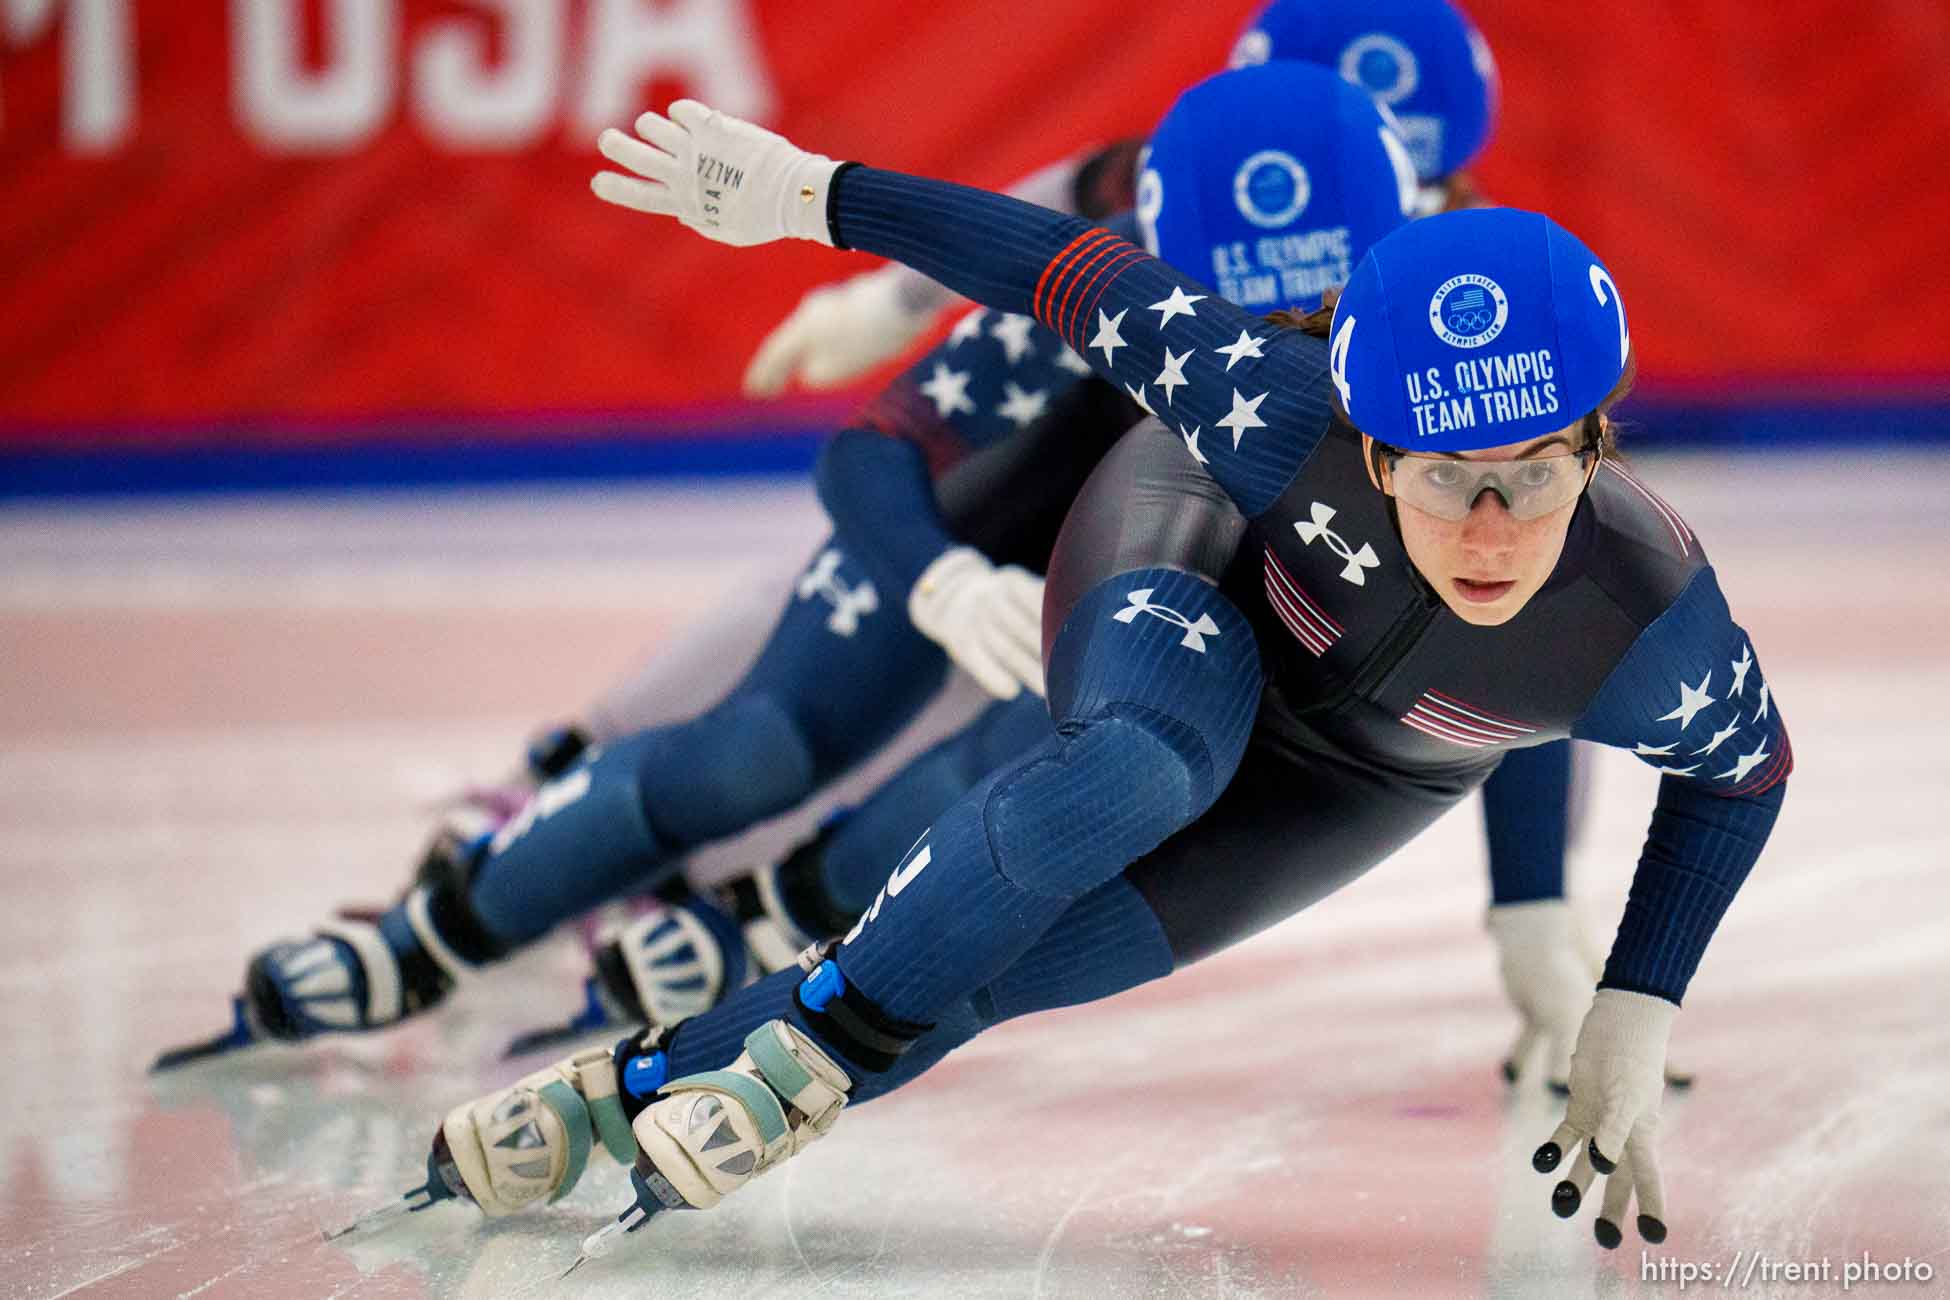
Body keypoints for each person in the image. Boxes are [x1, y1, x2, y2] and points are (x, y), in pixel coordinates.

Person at [415, 101, 1789, 1254]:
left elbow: (1741, 780)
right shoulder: (1278, 418)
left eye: (1531, 479)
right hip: (1190, 565)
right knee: (1140, 765)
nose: (1489, 531)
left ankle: (634, 1079)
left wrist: (1630, 998)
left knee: (1006, 974)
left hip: (1369, 769)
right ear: (1369, 452)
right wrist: (813, 195)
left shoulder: (1647, 620)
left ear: (1597, 450)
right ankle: (819, 1040)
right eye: (1442, 478)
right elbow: (1066, 266)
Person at [223, 64, 1419, 1059]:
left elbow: (1503, 641)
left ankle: (763, 917)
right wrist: (941, 581)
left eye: (1306, 318)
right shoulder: (1108, 294)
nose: (1255, 354)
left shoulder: (1406, 356)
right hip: (981, 545)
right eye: (1217, 309)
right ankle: (429, 936)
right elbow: (869, 454)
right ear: (1160, 258)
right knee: (757, 746)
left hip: (1130, 587)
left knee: (1029, 771)